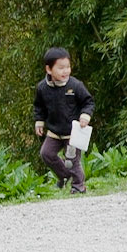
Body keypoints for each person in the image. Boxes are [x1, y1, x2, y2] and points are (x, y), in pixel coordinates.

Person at [33, 47, 94, 193]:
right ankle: (64, 176)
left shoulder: (75, 85)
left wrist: (85, 115)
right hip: (54, 131)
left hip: (73, 132)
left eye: (68, 67)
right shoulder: (42, 88)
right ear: (49, 69)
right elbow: (39, 106)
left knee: (72, 160)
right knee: (46, 154)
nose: (65, 71)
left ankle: (79, 187)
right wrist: (39, 122)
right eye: (61, 68)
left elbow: (88, 102)